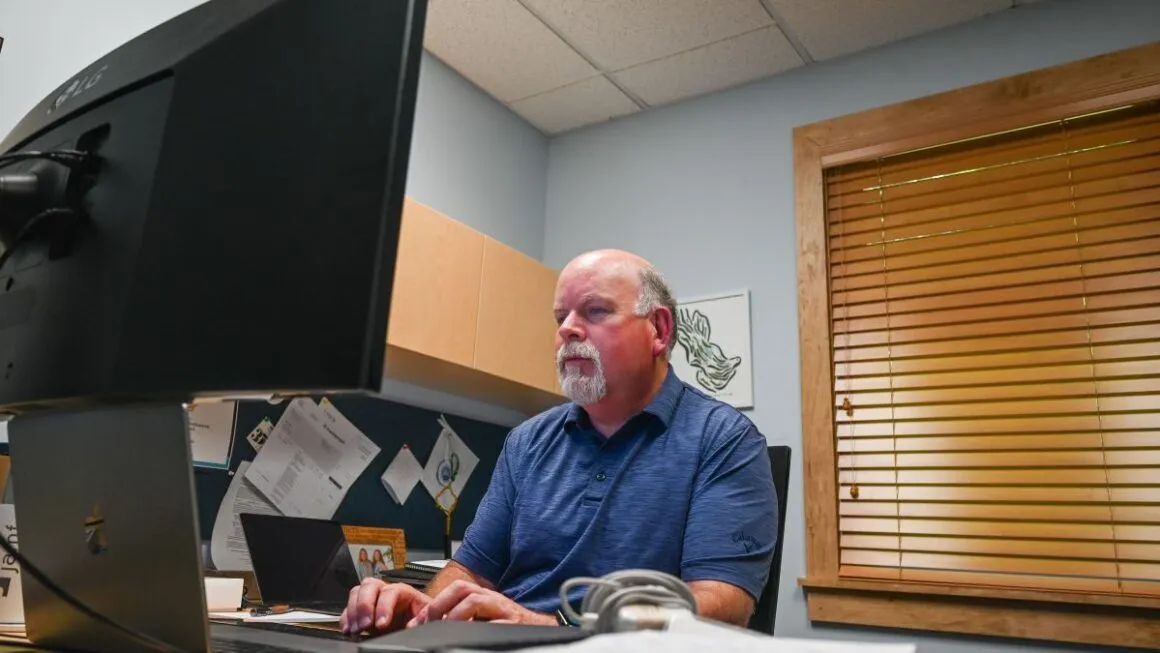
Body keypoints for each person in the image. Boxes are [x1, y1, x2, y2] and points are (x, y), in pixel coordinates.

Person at [341, 249, 777, 635]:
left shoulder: (725, 441)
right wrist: (427, 609)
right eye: (560, 317)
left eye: (594, 311)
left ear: (659, 330)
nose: (567, 329)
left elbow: (722, 606)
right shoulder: (526, 442)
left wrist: (555, 626)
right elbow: (470, 571)